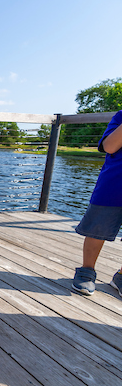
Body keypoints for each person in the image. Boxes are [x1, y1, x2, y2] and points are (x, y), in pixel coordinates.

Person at [72, 110, 122, 298]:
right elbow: (109, 146)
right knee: (97, 228)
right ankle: (86, 270)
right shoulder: (120, 117)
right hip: (114, 184)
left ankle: (121, 277)